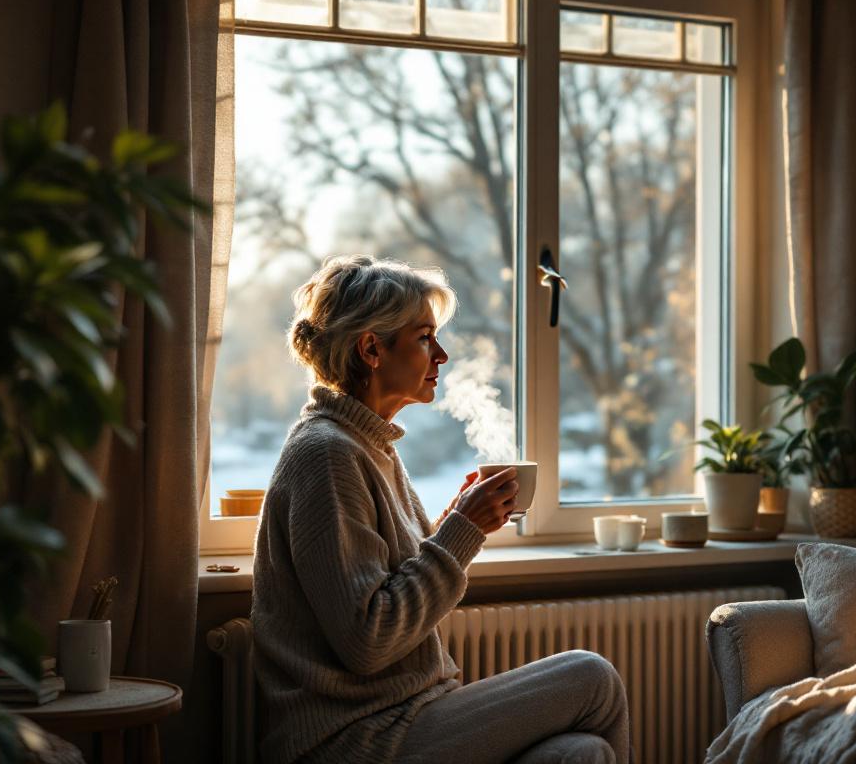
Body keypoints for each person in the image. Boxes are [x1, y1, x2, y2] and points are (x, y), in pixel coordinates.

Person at [251, 256, 630, 764]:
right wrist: (460, 531)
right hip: (351, 738)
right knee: (591, 676)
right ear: (371, 349)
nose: (443, 355)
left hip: (409, 714)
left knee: (581, 753)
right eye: (426, 338)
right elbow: (369, 642)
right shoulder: (327, 454)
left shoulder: (372, 447)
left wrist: (454, 523)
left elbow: (390, 587)